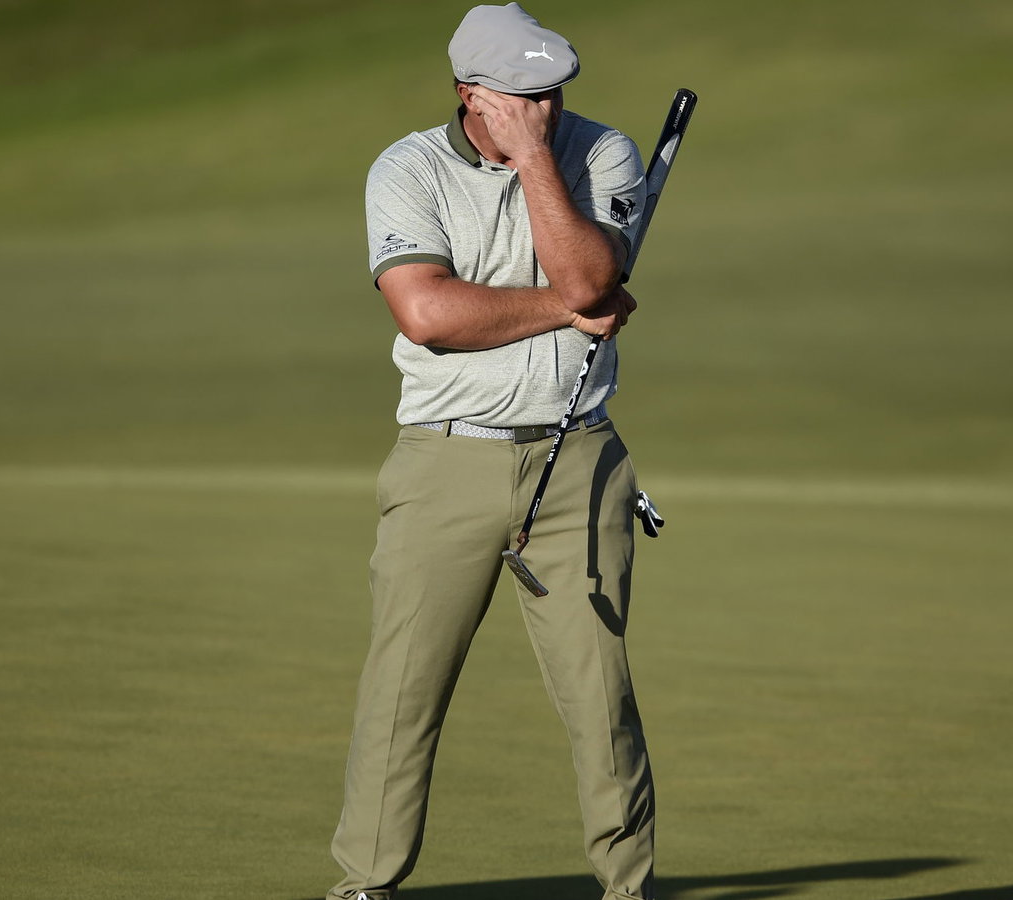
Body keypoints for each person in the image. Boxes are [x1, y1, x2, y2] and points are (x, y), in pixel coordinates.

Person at [328, 5, 656, 900]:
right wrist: (563, 306)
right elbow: (427, 315)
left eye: (553, 94)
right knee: (403, 696)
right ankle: (366, 886)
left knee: (602, 703)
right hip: (446, 461)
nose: (545, 110)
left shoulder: (602, 152)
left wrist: (538, 159)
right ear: (472, 94)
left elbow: (593, 275)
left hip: (578, 456)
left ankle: (629, 891)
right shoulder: (407, 169)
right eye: (522, 99)